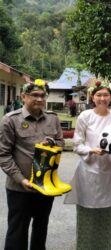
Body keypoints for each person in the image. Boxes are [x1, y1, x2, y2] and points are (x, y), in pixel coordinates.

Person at [0, 79, 64, 250]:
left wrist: (52, 142)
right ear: (23, 97)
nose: (39, 99)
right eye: (34, 95)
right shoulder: (10, 120)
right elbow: (3, 154)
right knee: (17, 231)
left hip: (45, 186)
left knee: (41, 228)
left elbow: (60, 143)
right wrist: (21, 179)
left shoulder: (52, 119)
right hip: (20, 188)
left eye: (43, 96)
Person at [64, 81, 111, 250]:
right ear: (92, 97)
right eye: (99, 95)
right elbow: (77, 144)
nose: (102, 98)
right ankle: (84, 246)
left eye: (106, 95)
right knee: (87, 209)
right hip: (88, 169)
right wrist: (91, 150)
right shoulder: (85, 116)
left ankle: (104, 246)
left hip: (108, 169)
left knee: (105, 210)